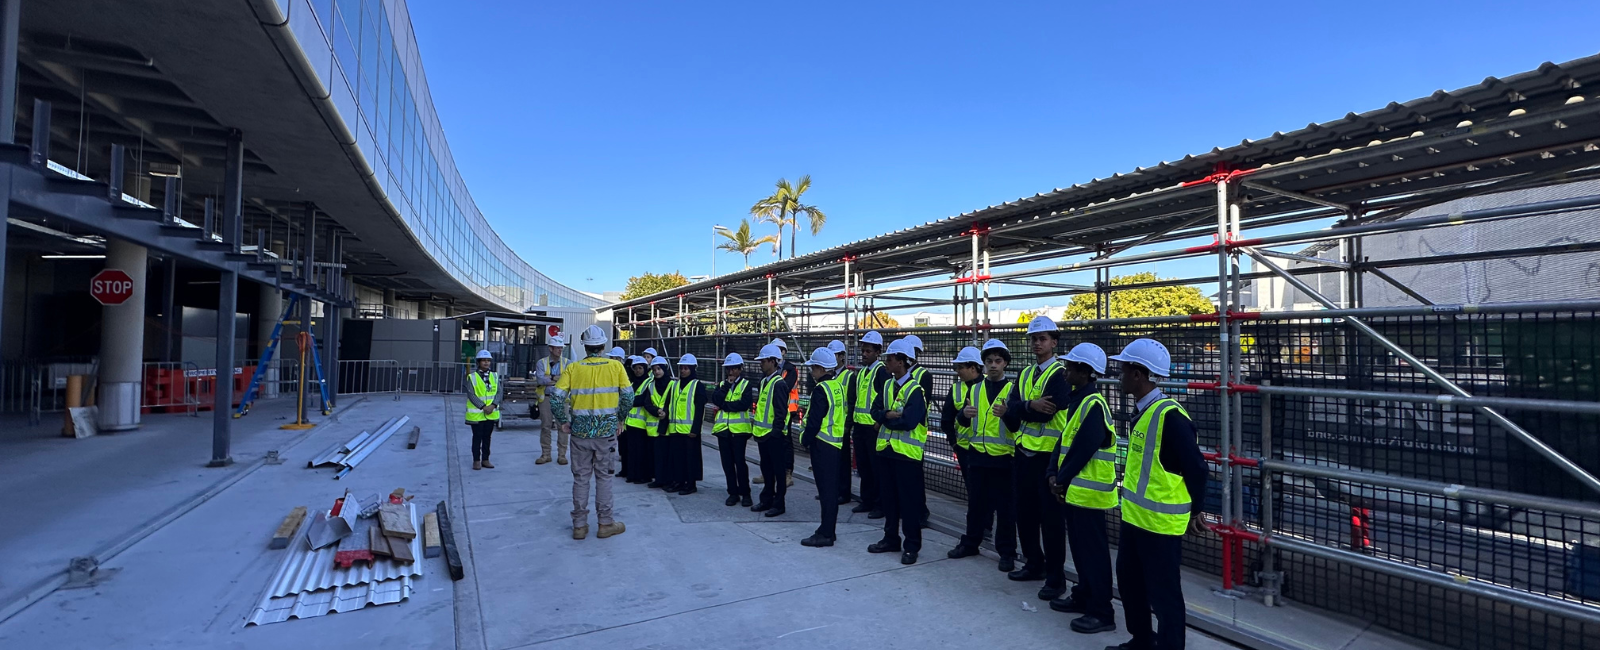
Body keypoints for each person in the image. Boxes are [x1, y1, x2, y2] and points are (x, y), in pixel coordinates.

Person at [1105, 338, 1208, 650]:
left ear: (1139, 375)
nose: (1119, 376)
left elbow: (1197, 469)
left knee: (1165, 596)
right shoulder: (1146, 412)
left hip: (1161, 526)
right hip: (1136, 519)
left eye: (1123, 370)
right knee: (1130, 583)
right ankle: (1141, 640)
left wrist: (1196, 510)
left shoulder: (1171, 417)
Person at [1048, 343, 1119, 635]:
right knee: (1080, 551)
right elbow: (1063, 442)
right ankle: (1084, 596)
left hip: (1088, 495)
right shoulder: (1078, 401)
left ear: (1087, 372)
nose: (1066, 372)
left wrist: (1060, 478)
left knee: (1094, 555)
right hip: (1075, 493)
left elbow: (1083, 449)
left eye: (1071, 367)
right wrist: (1053, 473)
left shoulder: (1093, 405)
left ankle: (1102, 611)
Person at [1006, 315, 1072, 601]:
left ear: (1054, 342)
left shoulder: (1060, 374)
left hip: (1048, 458)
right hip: (1023, 454)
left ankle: (1056, 579)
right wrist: (1028, 405)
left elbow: (1052, 408)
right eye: (1033, 338)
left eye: (1042, 338)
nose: (1037, 343)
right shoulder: (1024, 374)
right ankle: (1034, 564)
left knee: (1052, 521)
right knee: (1026, 514)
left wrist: (1023, 407)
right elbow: (1012, 409)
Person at [548, 325, 633, 540]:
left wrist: (563, 422)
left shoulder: (573, 369)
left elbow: (556, 398)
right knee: (604, 478)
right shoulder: (616, 367)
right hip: (605, 433)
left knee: (581, 478)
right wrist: (620, 418)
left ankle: (579, 526)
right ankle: (605, 523)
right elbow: (628, 397)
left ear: (585, 347)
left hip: (580, 433)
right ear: (603, 345)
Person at [945, 341, 1021, 570]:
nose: (993, 366)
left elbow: (1017, 425)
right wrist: (963, 415)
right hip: (977, 456)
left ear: (1005, 363)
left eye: (998, 361)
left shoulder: (1012, 391)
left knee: (1006, 509)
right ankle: (971, 542)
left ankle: (1006, 552)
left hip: (1004, 458)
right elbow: (961, 421)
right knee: (976, 505)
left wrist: (1007, 415)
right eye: (989, 361)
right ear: (983, 364)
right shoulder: (975, 389)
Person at [868, 339, 928, 565]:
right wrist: (886, 416)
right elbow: (874, 411)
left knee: (909, 503)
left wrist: (885, 421)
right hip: (886, 451)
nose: (887, 363)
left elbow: (910, 421)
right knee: (889, 500)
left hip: (906, 456)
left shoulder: (915, 390)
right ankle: (890, 538)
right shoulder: (886, 386)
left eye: (890, 359)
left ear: (902, 362)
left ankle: (912, 545)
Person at [800, 347, 849, 547]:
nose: (811, 372)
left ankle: (826, 533)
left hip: (822, 445)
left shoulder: (821, 389)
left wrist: (804, 439)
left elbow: (814, 421)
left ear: (821, 368)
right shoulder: (837, 386)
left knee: (826, 491)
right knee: (831, 489)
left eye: (813, 368)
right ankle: (828, 529)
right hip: (835, 444)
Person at [849, 331, 891, 519]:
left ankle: (880, 504)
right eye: (863, 350)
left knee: (876, 468)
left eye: (868, 351)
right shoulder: (863, 372)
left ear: (877, 352)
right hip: (860, 427)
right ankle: (866, 500)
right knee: (863, 467)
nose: (864, 354)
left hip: (872, 429)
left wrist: (879, 421)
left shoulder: (881, 371)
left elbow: (886, 398)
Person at [749, 344, 792, 516]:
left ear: (773, 362)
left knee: (778, 471)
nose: (761, 364)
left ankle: (779, 503)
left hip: (774, 437)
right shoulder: (764, 382)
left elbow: (781, 413)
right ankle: (767, 499)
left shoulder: (779, 384)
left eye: (764, 361)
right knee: (767, 469)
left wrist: (775, 433)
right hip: (763, 435)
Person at [657, 354, 708, 495]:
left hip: (689, 431)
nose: (683, 371)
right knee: (677, 459)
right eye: (682, 368)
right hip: (675, 429)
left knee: (690, 459)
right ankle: (678, 482)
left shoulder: (697, 386)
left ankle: (690, 484)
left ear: (692, 369)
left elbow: (699, 410)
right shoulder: (674, 385)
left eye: (686, 368)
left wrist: (695, 429)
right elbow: (669, 405)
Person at [709, 353, 754, 506]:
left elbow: (744, 404)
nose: (731, 372)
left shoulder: (746, 385)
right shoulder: (722, 385)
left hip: (739, 430)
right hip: (723, 430)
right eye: (729, 369)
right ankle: (732, 492)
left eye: (734, 369)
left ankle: (745, 493)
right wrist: (727, 386)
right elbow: (715, 399)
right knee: (727, 463)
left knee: (740, 462)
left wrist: (725, 406)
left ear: (740, 369)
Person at [534, 335, 572, 465]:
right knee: (545, 427)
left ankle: (562, 455)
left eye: (561, 348)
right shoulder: (541, 363)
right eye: (557, 348)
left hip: (562, 400)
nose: (560, 350)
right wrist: (557, 378)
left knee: (564, 427)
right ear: (550, 348)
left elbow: (568, 380)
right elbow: (540, 380)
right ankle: (546, 454)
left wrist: (549, 378)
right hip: (546, 399)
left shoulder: (567, 363)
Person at [826, 340, 855, 505]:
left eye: (835, 355)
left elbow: (851, 403)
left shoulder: (848, 376)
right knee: (831, 462)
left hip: (841, 426)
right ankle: (831, 490)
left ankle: (844, 493)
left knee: (843, 462)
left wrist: (847, 425)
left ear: (842, 356)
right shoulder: (830, 375)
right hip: (829, 426)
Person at [464, 349, 503, 471]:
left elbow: (499, 392)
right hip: (477, 415)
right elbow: (471, 394)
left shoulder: (494, 376)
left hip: (490, 413)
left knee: (487, 437)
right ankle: (476, 460)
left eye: (488, 361)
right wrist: (483, 407)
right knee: (477, 437)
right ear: (478, 362)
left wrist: (493, 405)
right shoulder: (472, 377)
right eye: (483, 360)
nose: (486, 363)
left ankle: (485, 459)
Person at [640, 357, 675, 489]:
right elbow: (647, 403)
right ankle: (659, 479)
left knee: (666, 456)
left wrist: (665, 412)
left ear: (664, 369)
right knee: (656, 456)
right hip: (654, 428)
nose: (657, 372)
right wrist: (657, 411)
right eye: (654, 370)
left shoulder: (672, 385)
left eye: (659, 369)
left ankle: (667, 479)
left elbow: (673, 403)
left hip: (667, 426)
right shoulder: (651, 385)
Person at [620, 356, 655, 484]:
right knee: (631, 451)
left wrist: (629, 402)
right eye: (635, 368)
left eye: (640, 368)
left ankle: (642, 476)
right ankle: (632, 474)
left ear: (645, 369)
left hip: (642, 424)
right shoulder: (633, 382)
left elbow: (642, 400)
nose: (638, 371)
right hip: (630, 423)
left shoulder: (649, 382)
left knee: (642, 452)